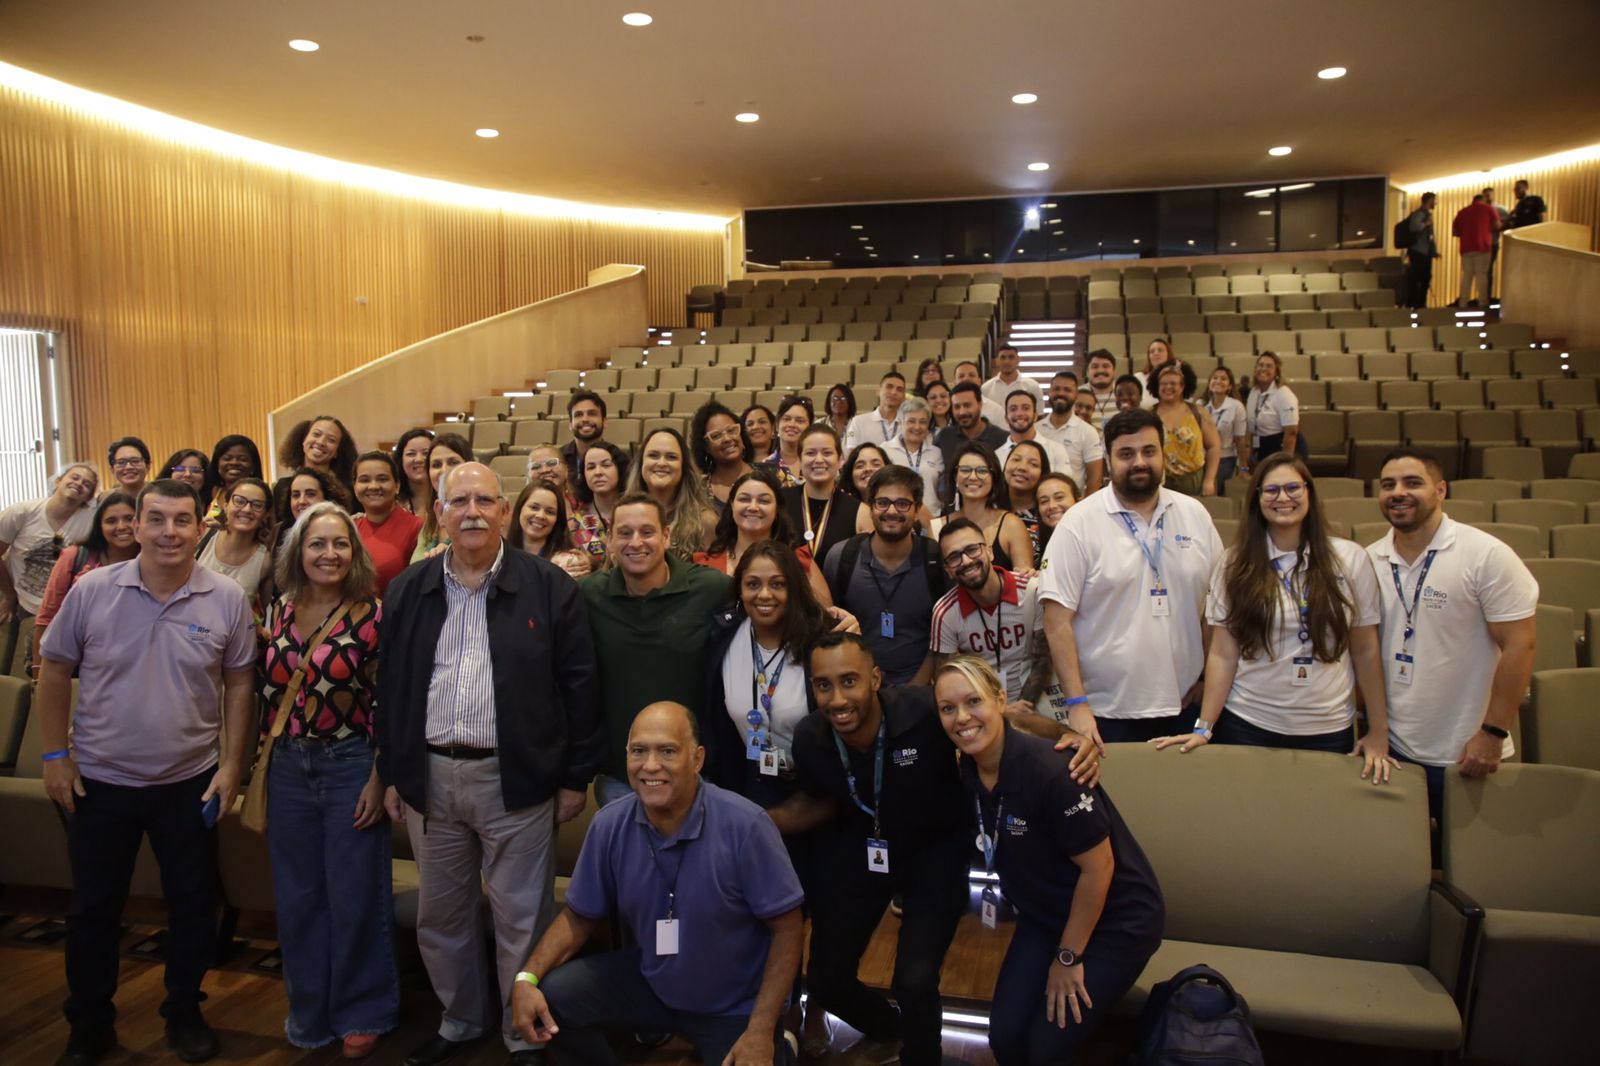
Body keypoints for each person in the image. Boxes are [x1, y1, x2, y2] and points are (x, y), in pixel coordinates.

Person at [377, 462, 600, 1066]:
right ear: (440, 514)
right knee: (441, 915)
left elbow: (579, 686)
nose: (471, 511)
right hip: (431, 778)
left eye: (484, 500)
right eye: (459, 501)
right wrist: (395, 772)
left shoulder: (548, 586)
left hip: (517, 777)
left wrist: (574, 775)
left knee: (520, 918)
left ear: (505, 511)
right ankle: (460, 1020)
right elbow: (392, 688)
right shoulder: (408, 589)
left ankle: (517, 1029)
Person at [37, 479, 256, 1066]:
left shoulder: (227, 598)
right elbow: (54, 669)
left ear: (198, 527)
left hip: (189, 783)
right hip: (99, 783)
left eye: (182, 521)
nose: (169, 532)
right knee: (92, 910)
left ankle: (184, 1011)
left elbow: (240, 681)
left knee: (191, 906)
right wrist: (54, 756)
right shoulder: (91, 591)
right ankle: (89, 1023)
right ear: (134, 524)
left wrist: (232, 764)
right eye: (156, 519)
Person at [509, 702, 804, 1066]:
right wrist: (526, 977)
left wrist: (760, 1031)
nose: (650, 766)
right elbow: (579, 917)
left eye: (667, 751)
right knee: (551, 997)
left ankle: (781, 1043)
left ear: (697, 760)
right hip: (655, 982)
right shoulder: (609, 825)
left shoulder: (746, 826)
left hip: (735, 1006)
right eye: (638, 751)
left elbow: (789, 929)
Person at [935, 656, 1162, 1066]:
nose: (961, 718)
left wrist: (1068, 958)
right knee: (1004, 1039)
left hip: (1118, 921)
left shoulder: (1052, 770)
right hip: (1047, 916)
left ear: (1001, 699)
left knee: (1045, 1048)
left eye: (973, 702)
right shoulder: (967, 768)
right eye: (948, 708)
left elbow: (1099, 869)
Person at [767, 633, 971, 1066]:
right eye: (823, 685)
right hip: (862, 846)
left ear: (875, 679)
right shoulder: (812, 737)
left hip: (934, 850)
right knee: (825, 980)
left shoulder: (924, 710)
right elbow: (816, 801)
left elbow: (1001, 722)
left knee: (914, 981)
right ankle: (890, 1032)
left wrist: (1070, 736)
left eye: (849, 681)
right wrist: (752, 823)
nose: (837, 698)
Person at [1151, 456, 1394, 778]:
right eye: (1272, 490)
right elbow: (1224, 653)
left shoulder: (1350, 558)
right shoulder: (1235, 563)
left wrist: (1378, 730)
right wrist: (1204, 727)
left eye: (1293, 487)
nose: (1283, 498)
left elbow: (1365, 649)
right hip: (1248, 722)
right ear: (1257, 499)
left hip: (1327, 727)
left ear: (1309, 493)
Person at [260, 501, 397, 1056]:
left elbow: (389, 703)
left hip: (350, 766)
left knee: (355, 894)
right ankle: (309, 1010)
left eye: (340, 543)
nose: (329, 553)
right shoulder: (275, 612)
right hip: (289, 767)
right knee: (298, 898)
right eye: (317, 543)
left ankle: (364, 1009)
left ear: (355, 552)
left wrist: (378, 776)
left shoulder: (372, 615)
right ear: (298, 551)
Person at [1368, 448, 1537, 831]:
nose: (1398, 492)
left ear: (1441, 490)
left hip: (1467, 751)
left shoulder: (1485, 555)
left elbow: (1520, 645)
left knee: (1471, 868)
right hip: (1394, 750)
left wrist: (1492, 734)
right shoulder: (1371, 559)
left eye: (1413, 483)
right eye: (1388, 485)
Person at [1038, 409, 1223, 745]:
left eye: (1149, 451)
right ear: (1108, 461)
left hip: (1184, 702)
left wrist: (1207, 679)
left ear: (1162, 455)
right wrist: (1076, 704)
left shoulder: (1194, 515)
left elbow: (1215, 610)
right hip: (1105, 711)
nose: (1139, 461)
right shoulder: (1078, 523)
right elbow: (1056, 622)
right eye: (1126, 453)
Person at [581, 494, 732, 807]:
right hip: (619, 779)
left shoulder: (713, 589)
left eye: (647, 532)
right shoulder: (589, 594)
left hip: (695, 775)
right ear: (609, 540)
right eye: (624, 533)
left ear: (666, 535)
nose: (636, 542)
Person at [823, 465, 948, 686]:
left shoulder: (936, 559)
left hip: (921, 688)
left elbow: (942, 636)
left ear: (917, 509)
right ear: (870, 507)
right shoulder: (842, 557)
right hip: (856, 685)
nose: (891, 511)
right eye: (882, 503)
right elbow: (829, 627)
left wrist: (913, 692)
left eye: (902, 504)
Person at [0, 463, 99, 678]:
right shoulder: (21, 512)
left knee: (56, 674)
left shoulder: (90, 521)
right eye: (74, 477)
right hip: (23, 606)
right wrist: (8, 595)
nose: (79, 484)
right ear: (58, 481)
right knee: (21, 672)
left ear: (89, 496)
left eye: (86, 484)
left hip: (65, 612)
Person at [930, 518, 1037, 706]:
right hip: (983, 707)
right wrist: (999, 712)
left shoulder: (1030, 591)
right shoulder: (945, 613)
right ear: (947, 570)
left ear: (989, 551)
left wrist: (1021, 710)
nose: (966, 561)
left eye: (972, 550)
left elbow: (1044, 661)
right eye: (954, 557)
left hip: (1036, 700)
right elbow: (945, 678)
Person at [30, 492, 139, 673]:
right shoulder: (75, 556)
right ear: (100, 526)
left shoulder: (153, 560)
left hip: (136, 662)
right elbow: (47, 616)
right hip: (77, 663)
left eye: (129, 519)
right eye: (111, 521)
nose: (122, 527)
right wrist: (38, 672)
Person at [695, 470, 833, 607]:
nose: (753, 507)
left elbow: (825, 618)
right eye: (744, 499)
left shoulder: (799, 561)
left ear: (777, 509)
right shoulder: (704, 564)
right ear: (732, 505)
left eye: (764, 501)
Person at [933, 441, 1033, 575]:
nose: (973, 477)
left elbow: (1025, 583)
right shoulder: (936, 527)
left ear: (994, 477)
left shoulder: (1012, 525)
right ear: (955, 476)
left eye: (982, 471)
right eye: (965, 470)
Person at [624, 427, 718, 560]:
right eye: (653, 455)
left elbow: (714, 577)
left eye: (671, 457)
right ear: (641, 464)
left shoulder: (705, 522)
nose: (661, 463)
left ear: (683, 467)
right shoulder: (623, 515)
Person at [781, 425, 866, 569]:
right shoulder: (780, 502)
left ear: (839, 460)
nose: (819, 459)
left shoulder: (860, 511)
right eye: (810, 453)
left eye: (827, 453)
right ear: (800, 460)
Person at [196, 476, 274, 612]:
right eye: (239, 501)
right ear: (226, 506)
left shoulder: (265, 561)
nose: (247, 509)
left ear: (265, 514)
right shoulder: (202, 536)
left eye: (257, 505)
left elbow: (268, 615)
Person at [350, 452, 423, 595]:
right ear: (355, 487)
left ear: (397, 485)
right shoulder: (349, 528)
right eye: (364, 480)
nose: (373, 486)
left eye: (382, 479)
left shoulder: (417, 528)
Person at [1152, 362, 1220, 497]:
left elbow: (1214, 446)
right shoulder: (1150, 415)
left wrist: (1209, 480)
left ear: (1182, 386)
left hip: (1195, 483)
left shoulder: (1198, 413)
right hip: (1162, 485)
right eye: (1163, 383)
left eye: (1173, 383)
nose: (1168, 387)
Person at [1035, 372, 1105, 495]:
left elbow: (1095, 479)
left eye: (1067, 390)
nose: (1061, 393)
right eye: (1056, 389)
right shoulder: (1036, 429)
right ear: (1049, 393)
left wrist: (1084, 508)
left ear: (1076, 395)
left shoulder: (1088, 432)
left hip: (1073, 504)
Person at [412, 433, 472, 562]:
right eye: (436, 465)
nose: (444, 470)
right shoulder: (430, 521)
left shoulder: (478, 516)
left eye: (453, 462)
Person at [275, 416, 357, 509]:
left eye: (331, 440)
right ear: (303, 440)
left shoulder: (349, 490)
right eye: (316, 434)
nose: (321, 442)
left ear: (337, 452)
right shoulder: (282, 487)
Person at [571, 441, 628, 569]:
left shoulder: (636, 512)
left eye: (606, 465)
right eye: (590, 467)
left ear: (619, 469)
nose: (598, 472)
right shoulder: (576, 521)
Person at [883, 396, 944, 511]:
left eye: (923, 422)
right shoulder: (885, 450)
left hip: (932, 518)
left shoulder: (937, 453)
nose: (917, 427)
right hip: (897, 516)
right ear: (901, 422)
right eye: (911, 421)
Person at [692, 401, 757, 510]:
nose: (727, 439)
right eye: (716, 436)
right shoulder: (698, 490)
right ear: (705, 447)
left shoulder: (775, 473)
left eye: (731, 430)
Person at [933, 381, 1007, 476]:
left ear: (980, 404)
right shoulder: (944, 437)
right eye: (957, 407)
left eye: (967, 405)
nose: (962, 412)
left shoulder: (1001, 439)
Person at [1243, 352, 1300, 470]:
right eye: (1260, 365)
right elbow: (1254, 428)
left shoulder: (1284, 394)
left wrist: (1286, 463)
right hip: (1262, 444)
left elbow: (1291, 432)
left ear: (1276, 372)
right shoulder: (1254, 392)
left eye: (1269, 366)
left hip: (1282, 446)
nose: (1263, 368)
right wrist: (1252, 453)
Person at [1001, 440, 1050, 566]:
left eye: (1033, 464)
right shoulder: (989, 507)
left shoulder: (1049, 514)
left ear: (1042, 474)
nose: (1022, 467)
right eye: (1016, 459)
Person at [200, 435, 265, 523]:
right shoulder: (215, 491)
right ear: (217, 465)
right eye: (227, 458)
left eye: (243, 459)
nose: (234, 463)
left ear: (253, 466)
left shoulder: (262, 495)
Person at [1452, 193, 1500, 309]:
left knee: (1467, 276)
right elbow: (1497, 226)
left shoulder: (1462, 212)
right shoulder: (1489, 209)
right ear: (1483, 200)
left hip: (1466, 248)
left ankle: (1463, 303)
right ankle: (1483, 303)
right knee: (1481, 275)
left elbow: (1455, 232)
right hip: (1483, 246)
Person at [1203, 367, 1248, 483]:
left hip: (1225, 459)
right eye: (1215, 378)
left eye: (1223, 379)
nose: (1218, 381)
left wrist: (1243, 467)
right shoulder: (1200, 405)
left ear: (1230, 386)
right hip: (1202, 459)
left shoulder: (1236, 407)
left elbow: (1240, 440)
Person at [273, 467, 342, 542]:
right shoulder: (280, 532)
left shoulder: (340, 530)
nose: (302, 501)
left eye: (310, 494)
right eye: (296, 495)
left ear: (326, 499)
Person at [508, 482, 575, 560]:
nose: (541, 516)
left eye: (550, 512)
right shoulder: (499, 554)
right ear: (520, 508)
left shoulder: (568, 561)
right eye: (534, 508)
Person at [843, 371, 907, 452]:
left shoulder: (908, 424)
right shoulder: (858, 421)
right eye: (889, 387)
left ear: (904, 397)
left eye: (899, 389)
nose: (893, 392)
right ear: (878, 391)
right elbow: (851, 453)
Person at [559, 390, 609, 485]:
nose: (585, 419)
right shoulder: (559, 458)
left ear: (604, 422)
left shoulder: (619, 459)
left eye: (592, 414)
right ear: (570, 424)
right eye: (578, 415)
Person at [1401, 192, 1439, 309]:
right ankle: (1413, 303)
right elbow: (1414, 227)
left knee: (1425, 278)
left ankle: (1421, 303)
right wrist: (1426, 224)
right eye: (1434, 200)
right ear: (1429, 200)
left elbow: (1430, 236)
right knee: (1417, 278)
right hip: (1418, 252)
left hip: (1425, 252)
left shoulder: (1427, 214)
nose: (1436, 203)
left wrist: (1433, 251)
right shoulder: (1419, 214)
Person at [768, 396, 813, 488]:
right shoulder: (765, 467)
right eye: (786, 419)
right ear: (777, 425)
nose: (792, 424)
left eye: (799, 421)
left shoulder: (817, 463)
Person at [391, 427, 436, 516]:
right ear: (401, 460)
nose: (419, 459)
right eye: (411, 454)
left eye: (426, 453)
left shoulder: (447, 500)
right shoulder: (391, 504)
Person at [981, 346, 1043, 411]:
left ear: (1018, 360)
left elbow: (1039, 415)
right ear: (997, 361)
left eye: (1011, 357)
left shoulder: (1033, 386)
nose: (1007, 361)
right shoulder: (986, 388)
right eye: (1003, 357)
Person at [951, 360, 1006, 425]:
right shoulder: (947, 408)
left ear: (979, 381)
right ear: (954, 382)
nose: (966, 379)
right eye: (961, 376)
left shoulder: (997, 411)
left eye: (971, 375)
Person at [1482, 187, 1510, 300]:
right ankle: (1483, 296)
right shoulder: (1480, 210)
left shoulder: (1500, 210)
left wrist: (1495, 227)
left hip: (1492, 242)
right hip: (1481, 244)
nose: (1488, 197)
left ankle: (1487, 297)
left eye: (1489, 194)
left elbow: (1507, 224)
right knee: (1481, 271)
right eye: (1486, 195)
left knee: (1488, 270)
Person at [1082, 350, 1120, 427]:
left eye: (1106, 366)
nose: (1100, 370)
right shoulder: (1078, 395)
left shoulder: (1125, 392)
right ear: (1087, 372)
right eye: (1095, 367)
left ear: (1114, 371)